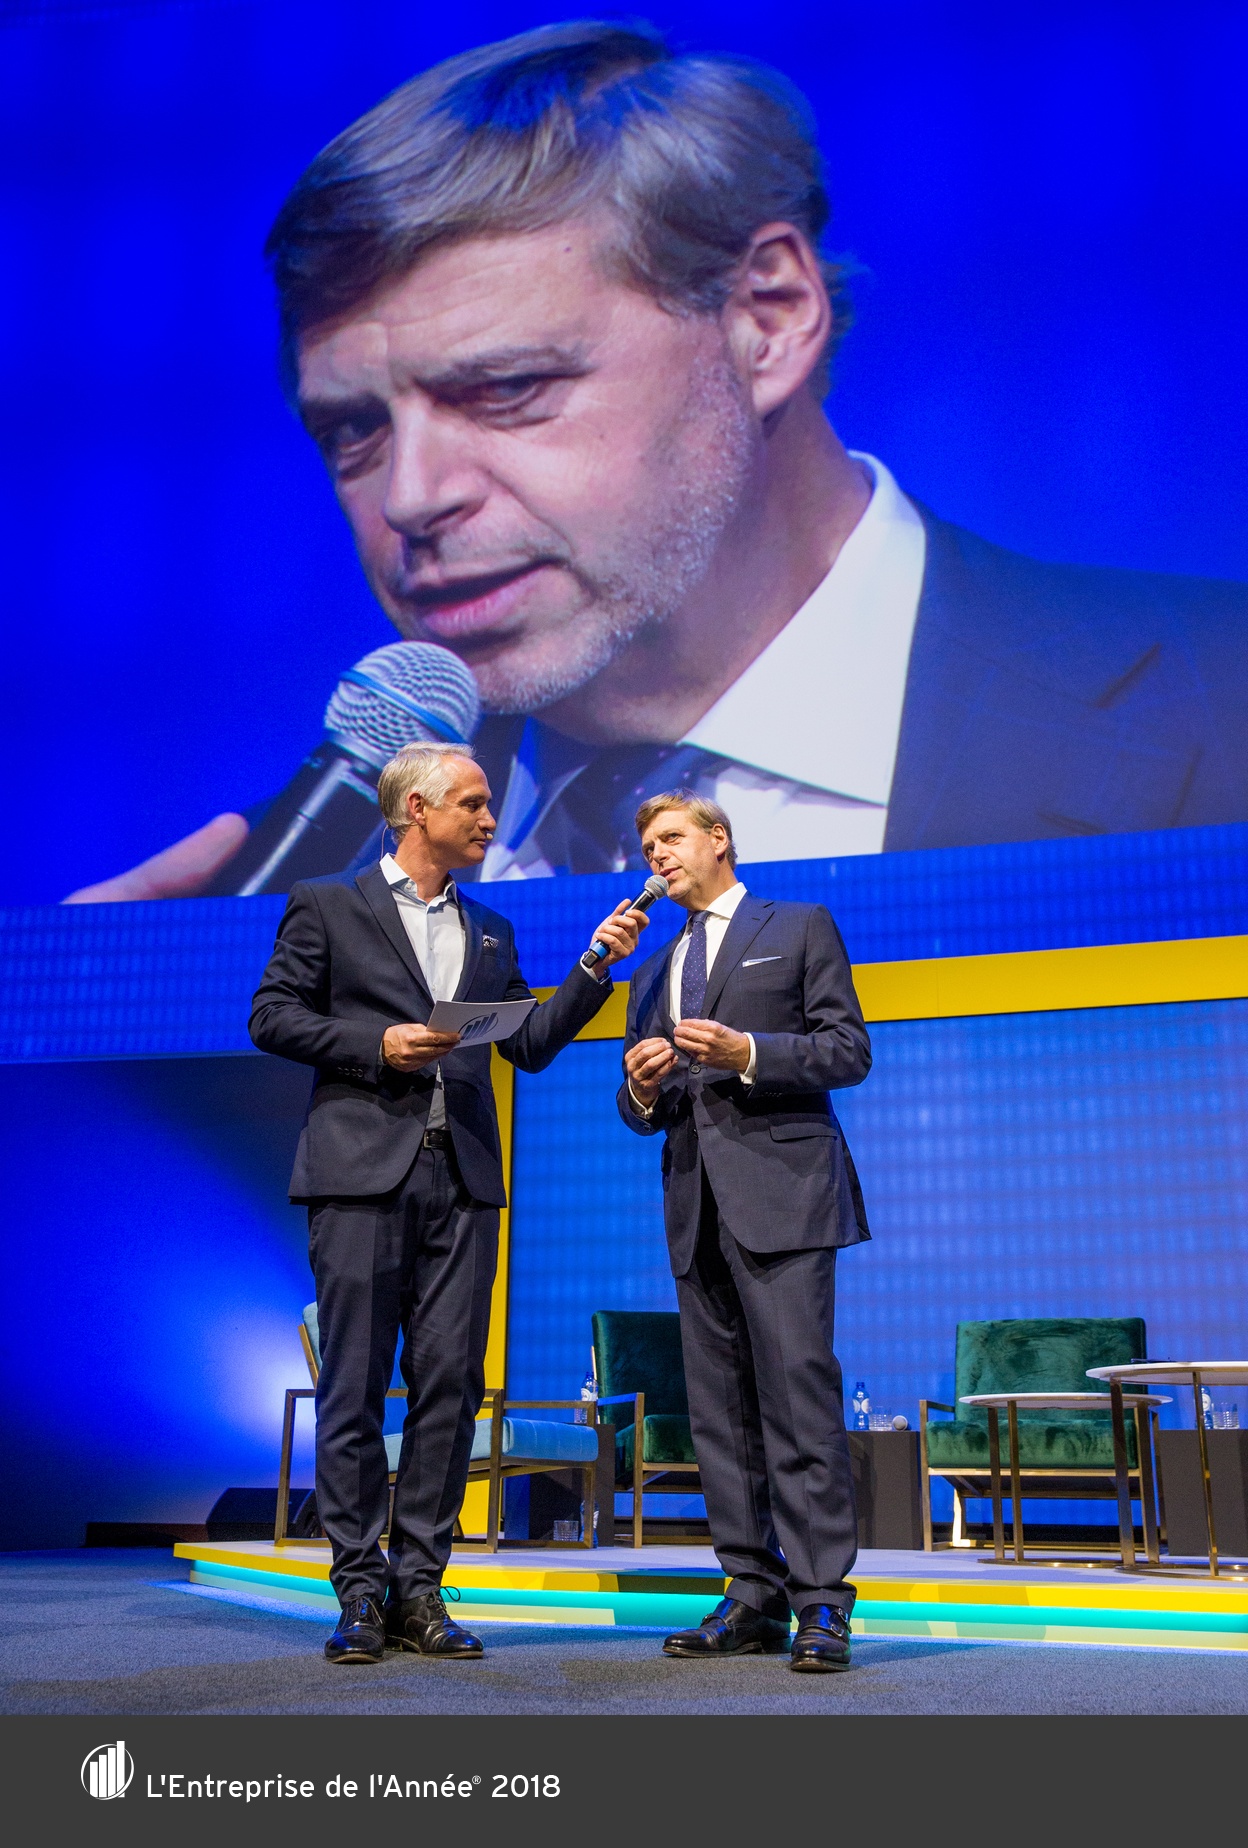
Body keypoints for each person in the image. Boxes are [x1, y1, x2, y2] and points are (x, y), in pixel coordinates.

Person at [69, 18, 1248, 901]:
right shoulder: (306, 900)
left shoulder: (1218, 716)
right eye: (353, 432)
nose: (413, 497)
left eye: (507, 389)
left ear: (768, 319)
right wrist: (109, 1088)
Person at [248, 740, 646, 1663]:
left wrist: (594, 965)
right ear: (416, 810)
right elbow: (272, 1016)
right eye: (472, 803)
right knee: (353, 1386)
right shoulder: (327, 903)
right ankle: (358, 1590)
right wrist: (375, 1045)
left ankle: (420, 1588)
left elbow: (529, 1045)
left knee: (451, 1391)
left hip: (460, 1183)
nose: (489, 818)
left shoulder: (491, 928)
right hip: (359, 1177)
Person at [617, 790, 871, 1671]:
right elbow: (638, 1110)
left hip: (785, 1197)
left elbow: (848, 1050)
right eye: (648, 847)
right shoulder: (652, 972)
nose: (657, 856)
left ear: (718, 839)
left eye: (671, 838)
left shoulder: (797, 926)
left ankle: (823, 1602)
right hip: (696, 1207)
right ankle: (751, 1594)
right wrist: (641, 1086)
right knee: (720, 1418)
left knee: (798, 1402)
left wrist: (749, 1053)